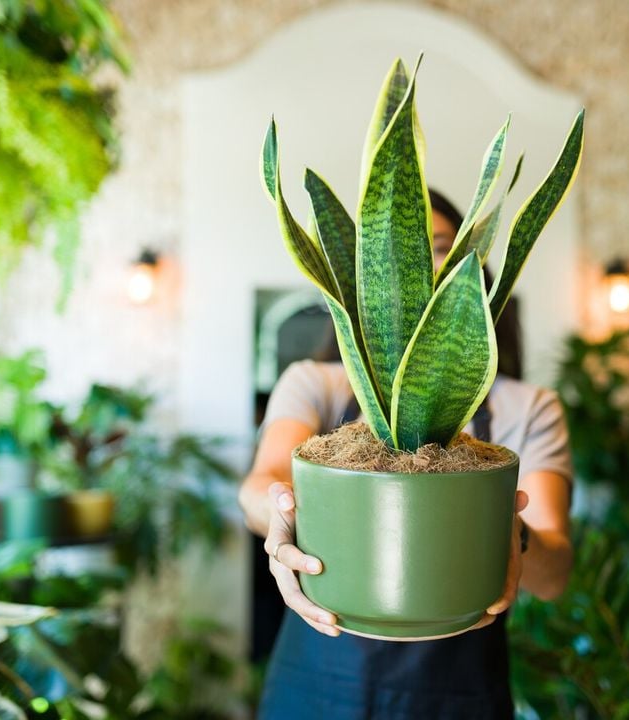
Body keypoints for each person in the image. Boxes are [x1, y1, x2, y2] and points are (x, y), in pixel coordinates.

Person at [239, 190, 573, 719]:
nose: (424, 269)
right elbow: (263, 484)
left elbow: (553, 577)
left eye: (441, 247)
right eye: (401, 258)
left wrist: (514, 532)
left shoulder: (528, 406)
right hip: (319, 682)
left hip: (458, 693)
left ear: (474, 270)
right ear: (365, 282)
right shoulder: (314, 383)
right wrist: (280, 522)